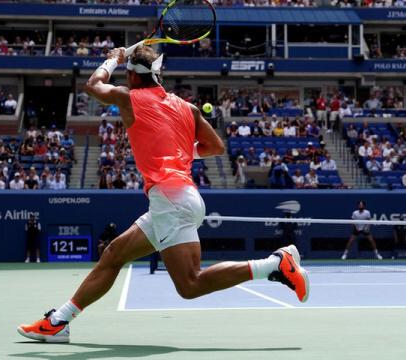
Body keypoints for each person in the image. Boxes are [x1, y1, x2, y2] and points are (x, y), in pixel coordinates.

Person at [18, 46, 309, 343]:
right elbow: (216, 147)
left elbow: (93, 85)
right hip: (176, 199)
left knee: (190, 284)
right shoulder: (187, 108)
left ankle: (274, 265)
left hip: (172, 202)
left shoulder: (128, 97)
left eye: (127, 72)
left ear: (131, 75)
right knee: (114, 255)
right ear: (157, 73)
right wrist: (181, 154)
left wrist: (113, 59)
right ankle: (58, 322)